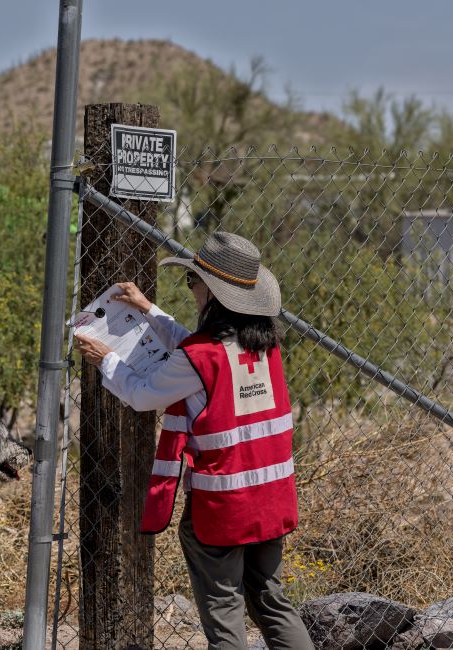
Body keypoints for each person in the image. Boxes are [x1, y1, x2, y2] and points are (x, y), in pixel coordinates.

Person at [75, 231, 313, 650]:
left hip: (224, 510)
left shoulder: (200, 356)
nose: (191, 288)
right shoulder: (264, 346)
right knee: (271, 600)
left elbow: (145, 394)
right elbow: (196, 350)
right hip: (272, 499)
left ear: (214, 295)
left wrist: (105, 359)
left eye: (193, 282)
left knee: (224, 613)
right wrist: (149, 310)